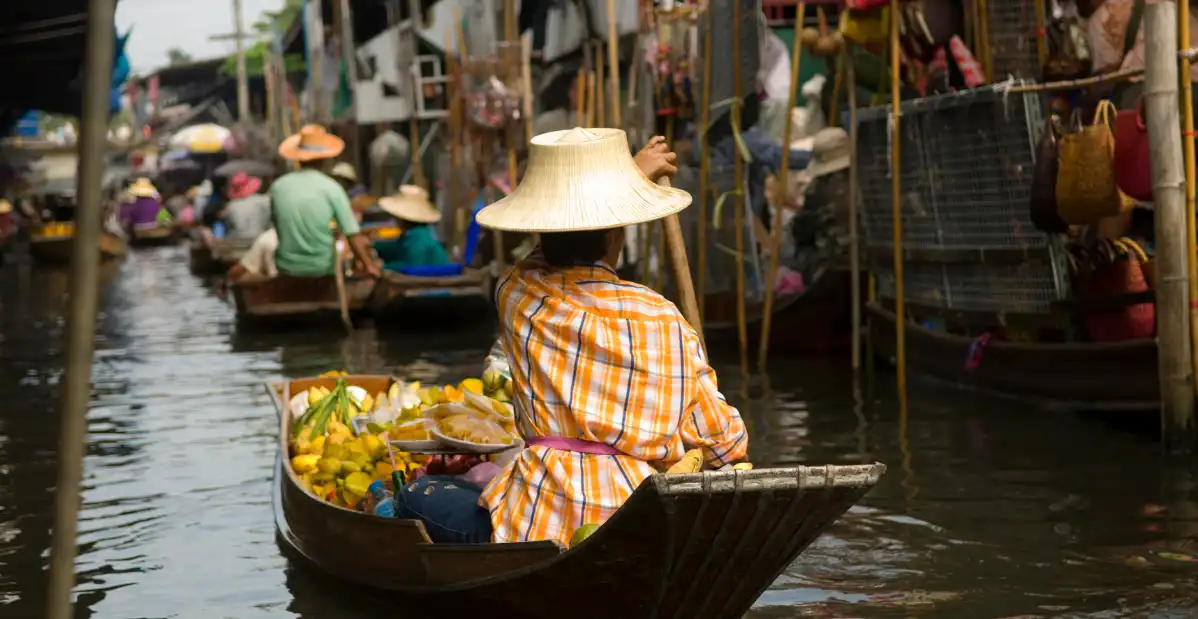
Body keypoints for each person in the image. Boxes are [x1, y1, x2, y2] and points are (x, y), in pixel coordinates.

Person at [392, 129, 749, 545]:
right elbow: (726, 442)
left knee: (416, 495)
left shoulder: (520, 296)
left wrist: (630, 176)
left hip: (535, 522)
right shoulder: (665, 316)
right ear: (616, 235)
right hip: (637, 518)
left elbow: (533, 263)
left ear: (542, 232)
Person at [270, 124, 380, 278]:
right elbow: (351, 233)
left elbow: (277, 224)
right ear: (324, 159)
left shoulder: (278, 187)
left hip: (286, 267)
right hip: (323, 268)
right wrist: (369, 266)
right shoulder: (331, 187)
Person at [372, 185, 451, 271]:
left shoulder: (418, 238)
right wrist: (375, 247)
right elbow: (397, 249)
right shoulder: (412, 234)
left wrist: (384, 266)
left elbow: (412, 266)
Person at [221, 172, 271, 240]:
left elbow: (229, 226)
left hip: (238, 241)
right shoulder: (263, 201)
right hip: (260, 239)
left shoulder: (230, 206)